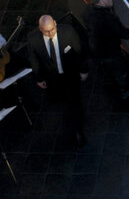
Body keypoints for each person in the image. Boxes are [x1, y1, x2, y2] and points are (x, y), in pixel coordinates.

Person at [27, 15, 88, 146]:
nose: (50, 33)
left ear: (55, 23)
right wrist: (39, 78)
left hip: (70, 75)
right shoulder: (33, 39)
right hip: (52, 78)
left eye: (52, 29)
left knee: (75, 102)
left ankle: (78, 129)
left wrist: (83, 70)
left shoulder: (68, 32)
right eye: (46, 31)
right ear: (40, 29)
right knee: (61, 100)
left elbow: (79, 51)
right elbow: (34, 59)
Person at [83, 0, 129, 100]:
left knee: (106, 70)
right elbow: (124, 34)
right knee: (122, 73)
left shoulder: (87, 10)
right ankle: (127, 94)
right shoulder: (109, 18)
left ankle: (109, 84)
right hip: (110, 52)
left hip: (95, 49)